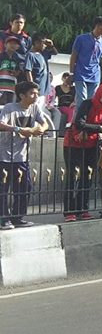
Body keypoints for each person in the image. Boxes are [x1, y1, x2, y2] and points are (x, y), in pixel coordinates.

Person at [63, 83, 102, 221]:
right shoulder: (88, 104)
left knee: (87, 177)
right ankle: (69, 211)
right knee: (73, 176)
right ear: (100, 94)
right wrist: (99, 129)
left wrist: (93, 130)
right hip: (74, 143)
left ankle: (82, 209)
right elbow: (79, 123)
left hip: (93, 145)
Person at [0, 81, 49, 229]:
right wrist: (20, 130)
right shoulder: (10, 108)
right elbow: (1, 124)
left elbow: (45, 123)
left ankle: (17, 217)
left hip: (22, 156)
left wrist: (39, 128)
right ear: (22, 95)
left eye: (37, 93)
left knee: (24, 187)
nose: (36, 96)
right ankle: (3, 219)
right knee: (3, 189)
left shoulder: (35, 108)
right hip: (4, 155)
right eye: (32, 93)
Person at [69, 16, 102, 106]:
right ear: (98, 25)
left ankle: (88, 119)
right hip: (80, 72)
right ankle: (78, 119)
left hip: (94, 74)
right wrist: (71, 73)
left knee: (92, 99)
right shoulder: (81, 39)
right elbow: (73, 56)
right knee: (81, 99)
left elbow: (99, 58)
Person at [0, 35, 25, 105]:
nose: (13, 45)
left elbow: (20, 71)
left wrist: (17, 72)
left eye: (15, 44)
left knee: (9, 107)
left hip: (12, 87)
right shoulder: (1, 56)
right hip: (1, 87)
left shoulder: (18, 59)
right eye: (10, 43)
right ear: (5, 45)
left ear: (18, 47)